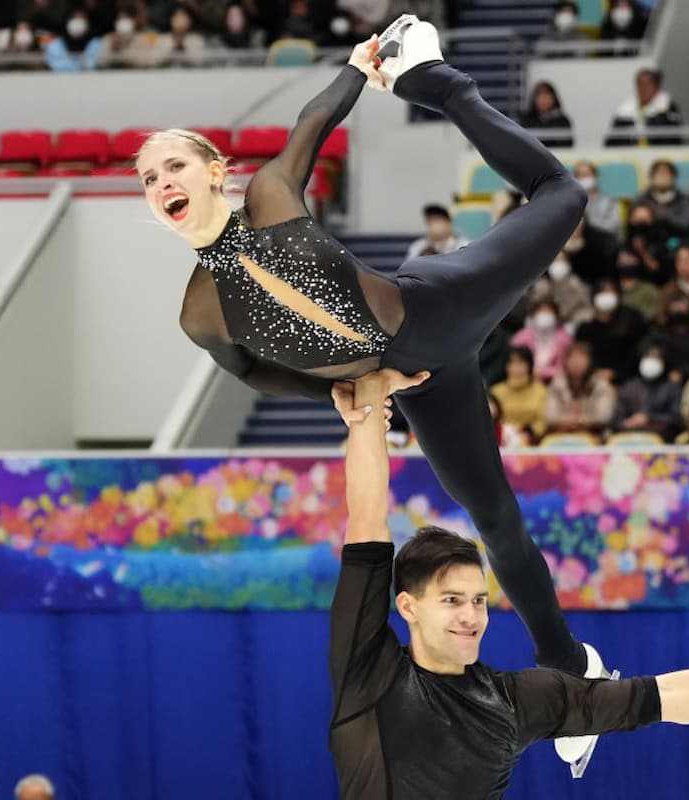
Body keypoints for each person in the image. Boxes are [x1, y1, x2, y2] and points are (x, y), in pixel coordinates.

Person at [141, 20, 599, 733]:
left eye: (174, 166)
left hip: (437, 305)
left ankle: (441, 84)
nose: (162, 183)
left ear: (212, 171)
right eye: (148, 179)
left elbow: (314, 117)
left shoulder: (270, 194)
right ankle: (573, 674)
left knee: (562, 195)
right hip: (415, 379)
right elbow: (256, 374)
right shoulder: (200, 314)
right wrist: (337, 390)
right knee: (495, 520)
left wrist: (360, 65)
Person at [330, 366, 689, 798]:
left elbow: (669, 699)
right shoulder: (367, 671)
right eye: (451, 600)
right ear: (407, 605)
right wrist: (372, 405)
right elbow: (367, 520)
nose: (471, 615)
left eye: (478, 600)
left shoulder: (516, 701)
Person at [574, 278, 647, 384]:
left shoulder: (632, 321)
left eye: (610, 291)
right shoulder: (585, 328)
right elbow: (580, 355)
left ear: (619, 296)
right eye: (602, 291)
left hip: (625, 380)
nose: (606, 296)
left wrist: (615, 373)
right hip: (590, 380)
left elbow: (636, 354)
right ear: (594, 297)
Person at [613, 341, 683, 440]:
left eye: (656, 357)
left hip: (662, 439)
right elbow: (615, 419)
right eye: (648, 357)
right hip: (629, 438)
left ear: (664, 361)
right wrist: (626, 423)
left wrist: (649, 418)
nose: (651, 361)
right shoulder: (629, 387)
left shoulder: (672, 388)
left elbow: (676, 418)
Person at [544, 341, 616, 437]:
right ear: (565, 361)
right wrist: (564, 420)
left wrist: (580, 421)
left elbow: (604, 416)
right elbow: (549, 415)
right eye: (572, 357)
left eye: (582, 357)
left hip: (595, 434)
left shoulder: (601, 385)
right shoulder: (557, 383)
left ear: (590, 361)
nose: (576, 362)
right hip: (561, 433)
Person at [607, 68, 683, 146]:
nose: (643, 88)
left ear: (657, 87)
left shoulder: (668, 108)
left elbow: (673, 138)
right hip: (629, 154)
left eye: (648, 84)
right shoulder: (624, 110)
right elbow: (612, 140)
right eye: (640, 84)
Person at [490, 346, 547, 444]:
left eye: (521, 362)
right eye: (511, 363)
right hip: (501, 438)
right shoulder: (496, 391)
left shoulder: (540, 391)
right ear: (506, 366)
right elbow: (492, 420)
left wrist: (529, 433)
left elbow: (542, 421)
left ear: (529, 365)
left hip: (531, 440)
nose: (516, 367)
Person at [511, 297, 573, 381]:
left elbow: (564, 367)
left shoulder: (565, 338)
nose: (544, 314)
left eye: (548, 311)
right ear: (534, 315)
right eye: (540, 311)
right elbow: (513, 359)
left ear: (556, 315)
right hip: (524, 378)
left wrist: (542, 373)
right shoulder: (522, 336)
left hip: (553, 381)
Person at [527, 252, 592, 327]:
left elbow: (586, 305)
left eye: (562, 259)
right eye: (556, 260)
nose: (559, 263)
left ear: (568, 263)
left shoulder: (575, 282)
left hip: (570, 322)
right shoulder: (541, 284)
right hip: (546, 323)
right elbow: (532, 306)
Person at [636, 159, 689, 236]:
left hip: (675, 239)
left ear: (673, 177)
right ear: (651, 177)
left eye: (665, 173)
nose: (662, 176)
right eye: (658, 173)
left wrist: (665, 219)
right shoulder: (642, 199)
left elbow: (686, 223)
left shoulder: (683, 200)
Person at [625, 203, 672, 285]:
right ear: (630, 220)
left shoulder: (662, 248)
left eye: (644, 221)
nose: (640, 225)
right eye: (637, 220)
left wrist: (643, 253)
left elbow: (665, 276)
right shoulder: (622, 247)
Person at [518, 80, 573, 148]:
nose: (543, 99)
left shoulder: (562, 120)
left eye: (547, 95)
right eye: (540, 96)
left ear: (554, 98)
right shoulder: (526, 119)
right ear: (534, 99)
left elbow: (567, 144)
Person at [573, 160, 620, 234]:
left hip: (602, 239)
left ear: (595, 176)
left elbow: (614, 225)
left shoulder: (608, 200)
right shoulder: (572, 202)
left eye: (586, 174)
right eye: (580, 175)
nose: (583, 177)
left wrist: (589, 223)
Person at [615, 246, 660, 322]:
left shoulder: (649, 289)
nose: (626, 263)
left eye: (630, 260)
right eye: (622, 261)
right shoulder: (612, 289)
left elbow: (657, 311)